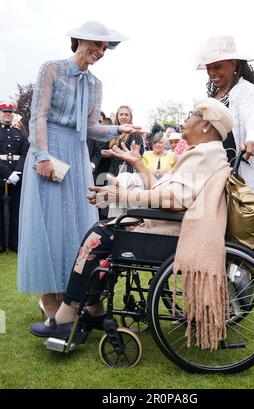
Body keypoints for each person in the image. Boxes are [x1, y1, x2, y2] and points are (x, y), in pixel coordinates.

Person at [30, 97, 233, 351]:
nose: (185, 119)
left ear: (205, 125)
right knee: (102, 232)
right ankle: (90, 308)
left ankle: (68, 315)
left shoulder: (204, 154)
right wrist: (139, 166)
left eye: (191, 114)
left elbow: (174, 200)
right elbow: (164, 191)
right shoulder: (205, 153)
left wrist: (122, 196)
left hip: (172, 230)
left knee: (99, 236)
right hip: (172, 226)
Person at [18, 20, 141, 318]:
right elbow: (38, 117)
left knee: (75, 228)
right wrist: (42, 156)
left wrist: (117, 127)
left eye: (105, 47)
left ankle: (68, 294)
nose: (100, 51)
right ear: (80, 40)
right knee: (48, 226)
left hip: (76, 153)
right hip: (49, 153)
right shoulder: (52, 69)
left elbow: (91, 128)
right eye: (97, 44)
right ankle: (48, 297)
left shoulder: (95, 84)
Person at [196, 35, 254, 192]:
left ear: (233, 64)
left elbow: (253, 118)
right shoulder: (214, 96)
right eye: (209, 67)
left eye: (217, 66)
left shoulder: (245, 90)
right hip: (213, 172)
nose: (212, 72)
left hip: (235, 173)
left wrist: (253, 139)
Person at [0, 100, 29, 253]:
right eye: (4, 111)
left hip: (17, 177)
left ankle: (14, 243)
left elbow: (25, 154)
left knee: (16, 211)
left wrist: (17, 172)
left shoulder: (20, 134)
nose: (7, 114)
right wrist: (7, 173)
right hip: (1, 176)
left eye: (10, 112)